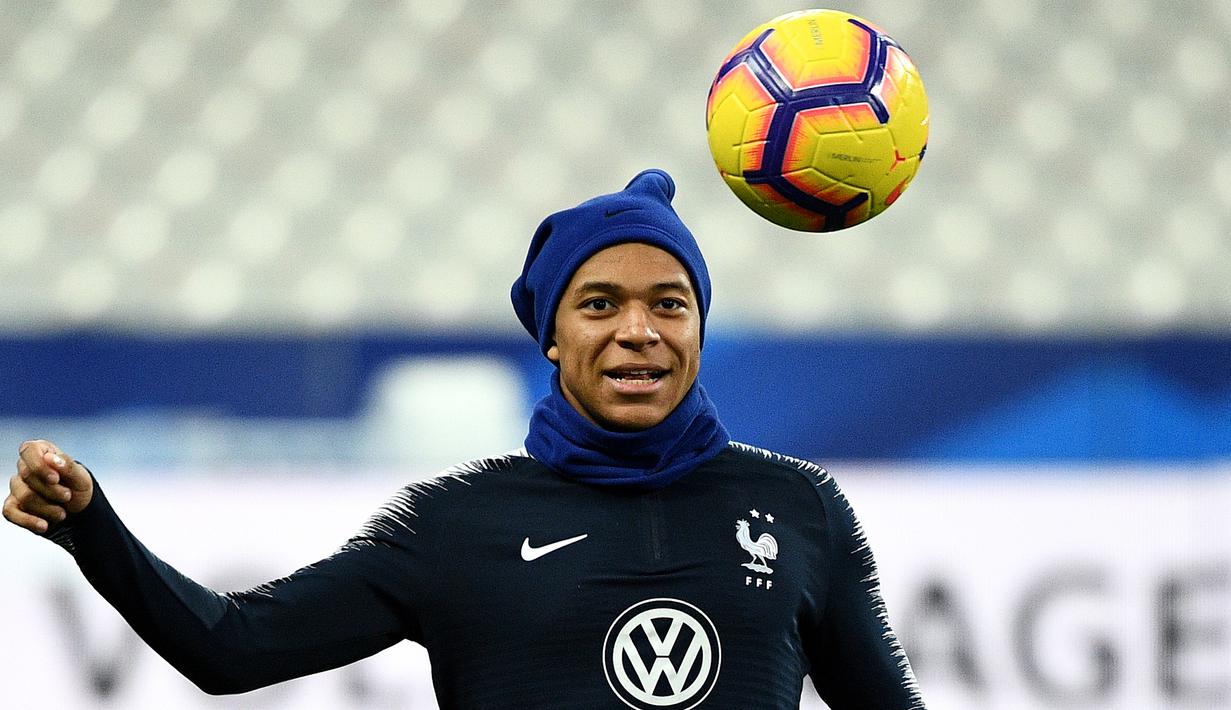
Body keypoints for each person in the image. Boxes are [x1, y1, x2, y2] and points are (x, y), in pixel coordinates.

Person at [5, 169, 925, 709]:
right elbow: (234, 650)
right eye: (599, 305)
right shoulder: (453, 522)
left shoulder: (799, 507)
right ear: (552, 337)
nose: (638, 331)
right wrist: (92, 525)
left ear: (698, 327)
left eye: (669, 304)